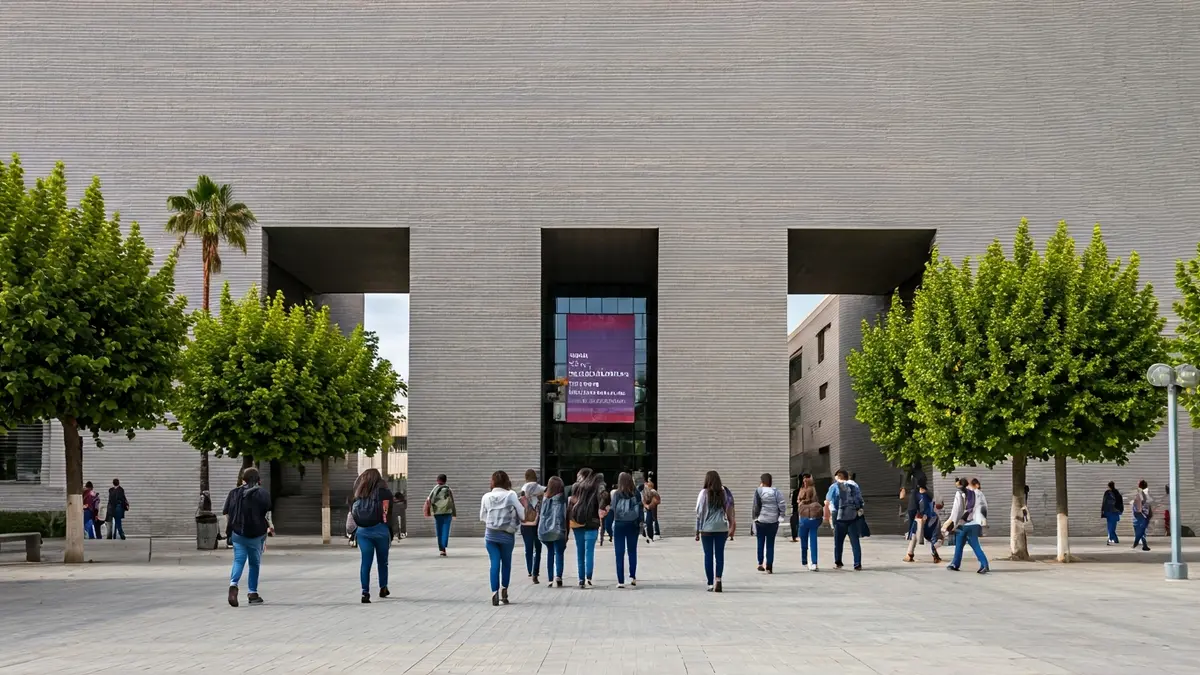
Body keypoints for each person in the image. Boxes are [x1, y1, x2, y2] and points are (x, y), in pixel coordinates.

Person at [224, 467, 272, 607]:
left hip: (238, 533)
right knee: (254, 563)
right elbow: (266, 513)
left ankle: (233, 585)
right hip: (257, 534)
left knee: (238, 560)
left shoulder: (233, 493)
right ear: (259, 480)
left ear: (243, 479)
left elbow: (227, 513)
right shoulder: (263, 493)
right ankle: (252, 593)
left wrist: (232, 528)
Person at [479, 470, 523, 605]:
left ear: (492, 482)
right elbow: (522, 513)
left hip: (491, 535)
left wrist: (493, 523)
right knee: (506, 563)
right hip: (507, 535)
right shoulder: (511, 495)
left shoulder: (486, 496)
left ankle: (494, 592)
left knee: (494, 563)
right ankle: (504, 589)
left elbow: (482, 516)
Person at [351, 468, 393, 603]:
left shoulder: (359, 492)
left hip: (363, 531)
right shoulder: (384, 492)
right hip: (380, 530)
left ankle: (365, 592)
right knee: (382, 561)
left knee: (365, 562)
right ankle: (383, 587)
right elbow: (387, 514)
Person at [695, 470, 736, 592]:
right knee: (719, 554)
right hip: (721, 527)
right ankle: (718, 579)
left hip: (707, 528)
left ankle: (710, 584)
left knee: (708, 555)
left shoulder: (704, 493)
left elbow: (699, 511)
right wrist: (731, 524)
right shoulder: (725, 493)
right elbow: (729, 509)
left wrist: (697, 530)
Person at [568, 468, 608, 588]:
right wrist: (602, 508)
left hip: (578, 522)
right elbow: (604, 496)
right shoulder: (597, 486)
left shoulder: (576, 487)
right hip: (593, 522)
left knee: (580, 552)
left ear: (582, 475)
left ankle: (581, 579)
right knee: (589, 551)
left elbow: (572, 502)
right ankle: (589, 578)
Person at [946, 478, 989, 573]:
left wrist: (952, 522)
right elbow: (984, 508)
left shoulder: (960, 493)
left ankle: (955, 564)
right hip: (974, 523)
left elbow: (957, 510)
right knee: (968, 544)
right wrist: (983, 521)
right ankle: (983, 564)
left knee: (960, 544)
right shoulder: (976, 493)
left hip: (964, 523)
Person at [825, 469, 864, 570]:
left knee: (838, 541)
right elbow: (860, 501)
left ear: (838, 476)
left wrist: (827, 515)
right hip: (853, 516)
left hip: (838, 516)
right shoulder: (854, 486)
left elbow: (827, 501)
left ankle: (838, 562)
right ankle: (857, 563)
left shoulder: (834, 486)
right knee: (855, 541)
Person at [610, 472, 643, 588]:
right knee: (632, 551)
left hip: (619, 525)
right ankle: (632, 577)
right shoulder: (636, 493)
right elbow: (640, 508)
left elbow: (613, 510)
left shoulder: (617, 494)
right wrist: (641, 523)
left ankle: (620, 581)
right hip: (632, 525)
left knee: (619, 553)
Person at [538, 475, 569, 588]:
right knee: (559, 553)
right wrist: (566, 532)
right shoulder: (561, 499)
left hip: (545, 530)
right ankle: (558, 577)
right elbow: (563, 516)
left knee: (550, 553)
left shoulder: (544, 498)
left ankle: (550, 579)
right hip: (558, 529)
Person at [752, 473, 787, 573]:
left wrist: (755, 518)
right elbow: (782, 504)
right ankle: (769, 567)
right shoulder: (776, 491)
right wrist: (781, 516)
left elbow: (755, 506)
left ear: (762, 481)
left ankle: (760, 563)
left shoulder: (758, 491)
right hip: (773, 521)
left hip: (761, 520)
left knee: (760, 542)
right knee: (770, 544)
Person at [905, 479, 943, 563]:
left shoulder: (918, 496)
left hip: (922, 519)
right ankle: (935, 556)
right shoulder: (930, 494)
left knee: (914, 535)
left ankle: (909, 554)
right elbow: (939, 504)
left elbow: (917, 509)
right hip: (933, 519)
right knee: (933, 537)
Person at [519, 469, 545, 584]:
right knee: (537, 548)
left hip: (526, 522)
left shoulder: (523, 489)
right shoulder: (541, 489)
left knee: (528, 548)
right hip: (538, 521)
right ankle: (535, 571)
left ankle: (529, 569)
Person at [424, 474, 457, 557]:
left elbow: (429, 500)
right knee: (445, 530)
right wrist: (454, 513)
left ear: (437, 480)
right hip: (447, 512)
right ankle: (444, 544)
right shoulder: (448, 489)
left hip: (437, 513)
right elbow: (452, 502)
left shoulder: (435, 489)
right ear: (445, 480)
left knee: (439, 530)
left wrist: (429, 510)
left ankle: (442, 550)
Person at [796, 474, 823, 571]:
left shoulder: (803, 490)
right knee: (813, 540)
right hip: (813, 518)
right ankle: (814, 562)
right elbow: (816, 500)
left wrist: (801, 502)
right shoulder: (814, 490)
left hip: (804, 517)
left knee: (804, 539)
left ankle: (805, 560)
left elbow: (799, 501)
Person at [1131, 480, 1152, 551]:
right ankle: (1143, 545)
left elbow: (1139, 505)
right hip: (1142, 515)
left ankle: (1137, 543)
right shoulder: (1145, 494)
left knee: (1139, 530)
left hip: (1139, 514)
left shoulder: (1140, 494)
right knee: (1141, 530)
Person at [1101, 481, 1124, 545]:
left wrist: (1103, 511)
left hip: (1109, 511)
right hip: (1115, 512)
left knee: (1110, 526)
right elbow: (1120, 503)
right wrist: (1120, 510)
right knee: (1112, 526)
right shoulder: (1117, 493)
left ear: (1108, 486)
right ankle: (1113, 539)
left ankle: (1112, 539)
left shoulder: (1107, 493)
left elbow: (1104, 502)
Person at [598, 473, 614, 547]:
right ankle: (604, 537)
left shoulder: (603, 493)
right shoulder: (601, 493)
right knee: (604, 525)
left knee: (604, 525)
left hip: (603, 509)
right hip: (603, 509)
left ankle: (607, 537)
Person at [789, 477, 802, 542]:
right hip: (802, 510)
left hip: (796, 509)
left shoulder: (795, 491)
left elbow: (793, 502)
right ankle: (797, 536)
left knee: (794, 523)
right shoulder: (807, 490)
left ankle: (795, 536)